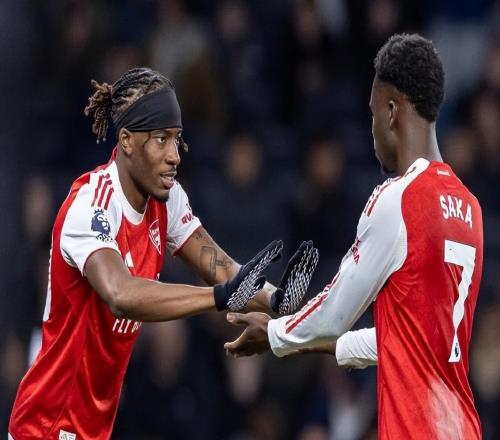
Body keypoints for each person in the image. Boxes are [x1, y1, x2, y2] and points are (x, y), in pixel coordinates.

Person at [8, 67, 319, 440]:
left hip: (94, 426)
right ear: (127, 141)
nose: (174, 156)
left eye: (177, 139)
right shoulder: (92, 205)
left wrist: (278, 299)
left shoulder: (167, 199)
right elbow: (121, 295)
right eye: (161, 139)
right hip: (46, 425)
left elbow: (225, 270)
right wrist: (219, 297)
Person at [225, 33, 484, 440]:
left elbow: (333, 314)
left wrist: (274, 334)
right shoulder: (469, 207)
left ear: (391, 111)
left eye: (373, 113)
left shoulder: (399, 198)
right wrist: (307, 343)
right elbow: (406, 341)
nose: (372, 129)